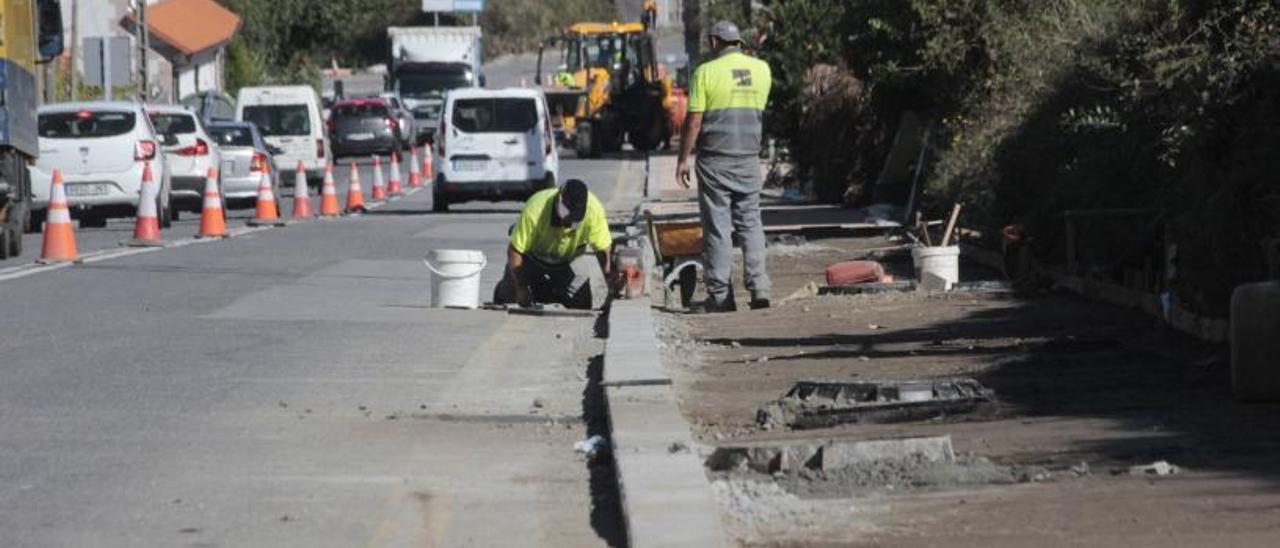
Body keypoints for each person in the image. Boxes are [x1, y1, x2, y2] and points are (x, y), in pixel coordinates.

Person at [676, 20, 773, 312]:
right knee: (751, 223)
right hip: (748, 159)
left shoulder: (705, 72)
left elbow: (694, 120)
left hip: (715, 161)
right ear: (739, 43)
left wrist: (683, 158)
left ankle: (720, 297)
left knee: (718, 229)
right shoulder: (762, 70)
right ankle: (759, 288)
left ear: (713, 41)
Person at [494, 179, 615, 309]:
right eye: (567, 217)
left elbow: (604, 251)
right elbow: (515, 251)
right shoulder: (536, 208)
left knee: (581, 304)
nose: (568, 224)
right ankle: (529, 287)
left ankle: (546, 292)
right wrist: (521, 289)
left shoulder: (593, 210)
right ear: (560, 197)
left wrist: (612, 288)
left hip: (568, 260)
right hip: (532, 258)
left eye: (573, 220)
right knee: (508, 297)